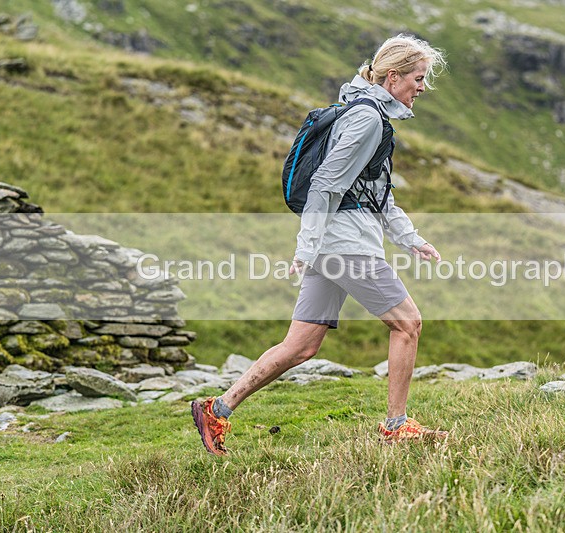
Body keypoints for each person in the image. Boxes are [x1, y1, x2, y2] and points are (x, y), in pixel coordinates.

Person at [192, 35, 448, 455]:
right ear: (393, 76)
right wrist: (307, 246)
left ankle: (216, 409)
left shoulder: (364, 112)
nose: (422, 87)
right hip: (346, 244)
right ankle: (396, 426)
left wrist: (409, 239)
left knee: (301, 345)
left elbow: (374, 192)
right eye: (418, 78)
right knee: (408, 324)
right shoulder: (367, 119)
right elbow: (326, 183)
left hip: (335, 243)